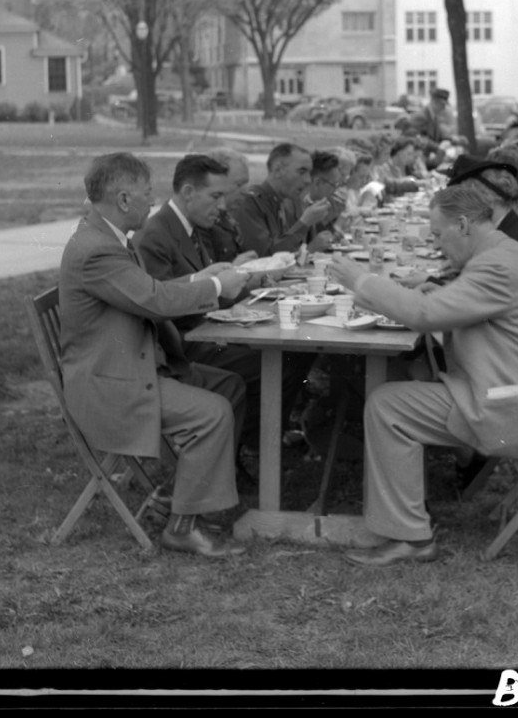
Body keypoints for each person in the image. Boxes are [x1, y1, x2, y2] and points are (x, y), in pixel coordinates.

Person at [327, 185, 518, 566]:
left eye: (439, 235)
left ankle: (410, 538)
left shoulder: (496, 265)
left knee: (388, 406)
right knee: (404, 380)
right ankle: (406, 521)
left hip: (513, 403)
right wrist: (437, 289)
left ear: (465, 224)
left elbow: (425, 315)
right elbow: (464, 303)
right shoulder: (509, 252)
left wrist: (362, 281)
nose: (438, 246)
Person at [58, 152, 249, 559]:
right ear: (124, 199)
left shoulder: (106, 237)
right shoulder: (97, 250)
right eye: (148, 194)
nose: (154, 201)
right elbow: (152, 299)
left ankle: (184, 492)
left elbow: (142, 292)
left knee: (229, 386)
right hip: (110, 386)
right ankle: (183, 526)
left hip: (129, 368)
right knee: (212, 411)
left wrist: (202, 278)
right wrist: (216, 288)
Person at [133, 154, 305, 450]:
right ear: (188, 192)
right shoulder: (156, 235)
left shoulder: (193, 226)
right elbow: (162, 312)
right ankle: (254, 443)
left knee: (292, 353)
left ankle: (253, 440)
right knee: (284, 361)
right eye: (216, 196)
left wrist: (253, 281)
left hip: (206, 332)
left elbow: (211, 286)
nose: (223, 206)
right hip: (181, 347)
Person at [228, 143, 334, 257]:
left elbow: (292, 252)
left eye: (309, 173)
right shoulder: (250, 203)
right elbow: (265, 257)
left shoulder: (283, 201)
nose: (308, 180)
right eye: (302, 172)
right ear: (277, 169)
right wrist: (304, 223)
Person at [400, 88, 452, 166]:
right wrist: (439, 147)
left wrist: (452, 140)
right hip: (416, 161)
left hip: (425, 159)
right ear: (435, 102)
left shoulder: (433, 117)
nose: (444, 108)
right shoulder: (421, 116)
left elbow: (438, 137)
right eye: (442, 105)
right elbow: (417, 137)